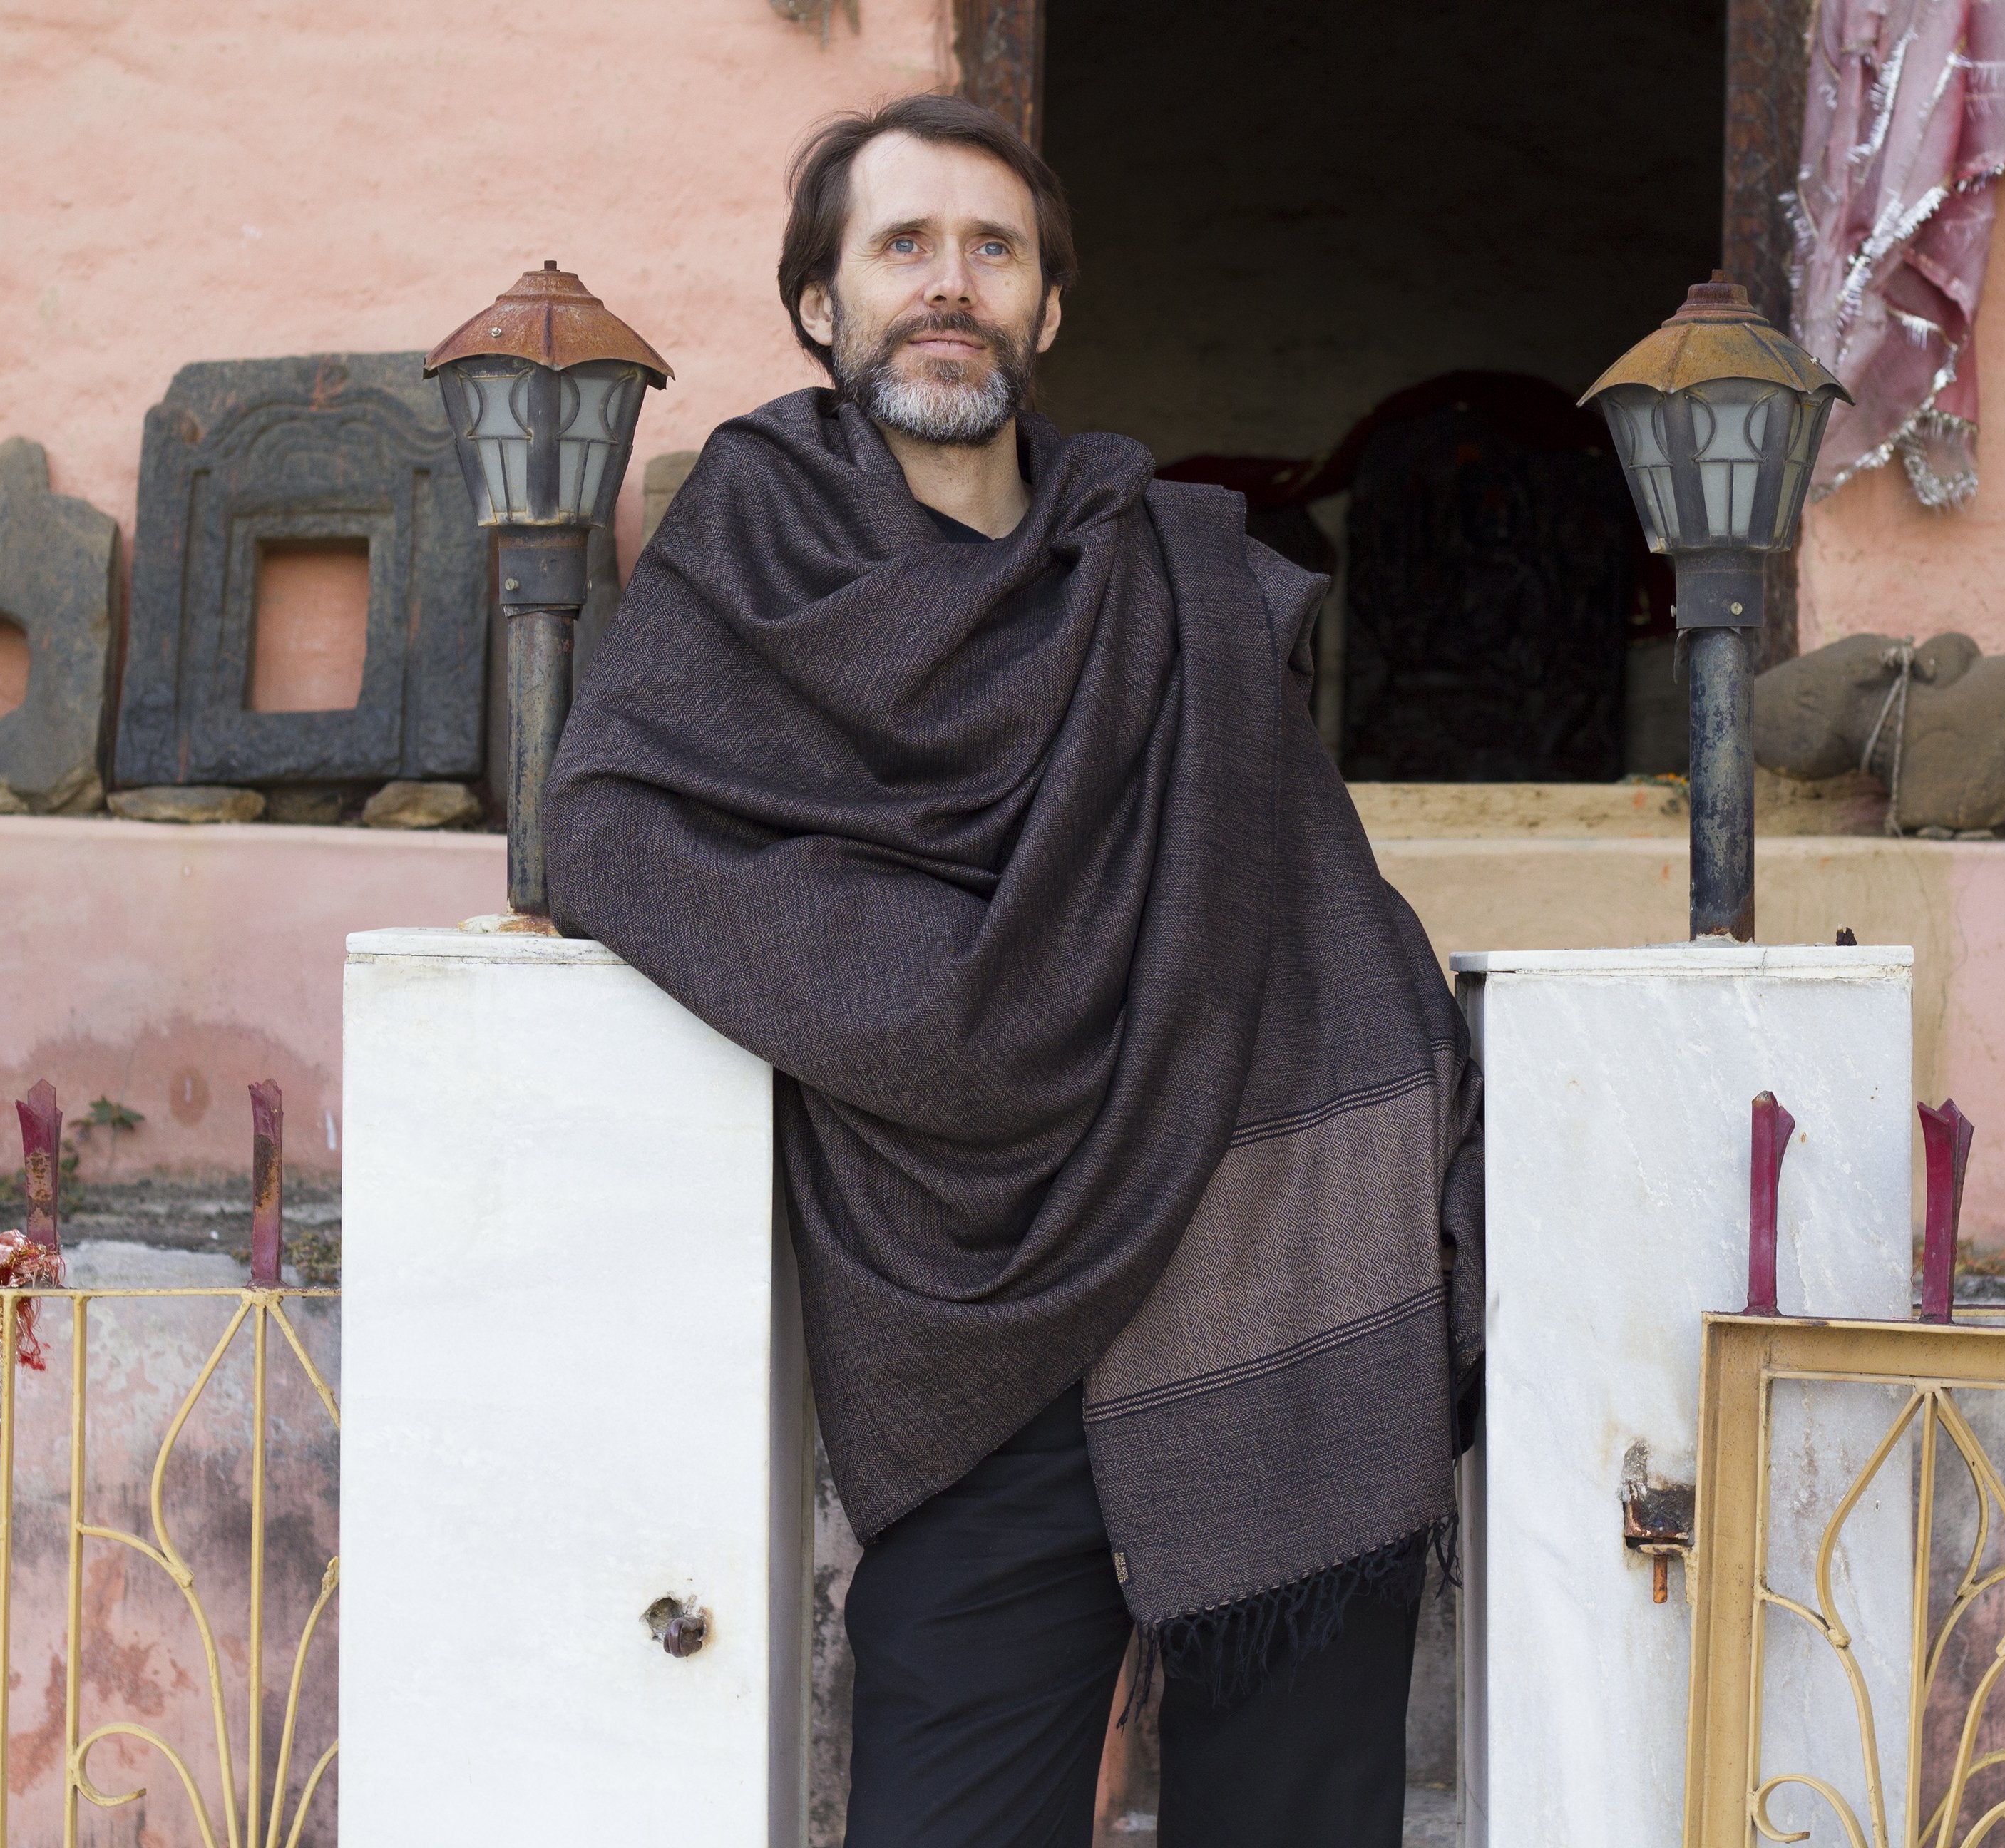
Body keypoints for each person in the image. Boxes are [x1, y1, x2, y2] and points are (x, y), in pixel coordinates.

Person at [544, 93, 1483, 1848]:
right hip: (965, 1337)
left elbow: (1312, 916)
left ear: (1049, 309)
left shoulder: (1175, 571)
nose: (949, 285)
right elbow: (603, 830)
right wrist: (933, 1006)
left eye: (994, 250)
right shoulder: (747, 556)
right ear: (819, 304)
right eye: (901, 245)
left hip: (1255, 1287)